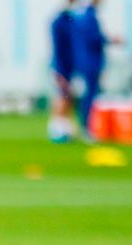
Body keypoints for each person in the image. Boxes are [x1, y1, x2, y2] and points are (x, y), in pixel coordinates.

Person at [72, 0, 112, 140]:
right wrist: (110, 40)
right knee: (89, 96)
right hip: (90, 64)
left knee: (89, 96)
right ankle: (86, 128)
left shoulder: (85, 14)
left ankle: (87, 127)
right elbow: (93, 39)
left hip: (87, 63)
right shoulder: (89, 16)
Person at [49, 0, 79, 142]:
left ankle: (63, 127)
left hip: (68, 64)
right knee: (62, 95)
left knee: (67, 96)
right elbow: (59, 48)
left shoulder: (69, 20)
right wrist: (59, 70)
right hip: (61, 65)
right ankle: (57, 128)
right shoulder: (61, 22)